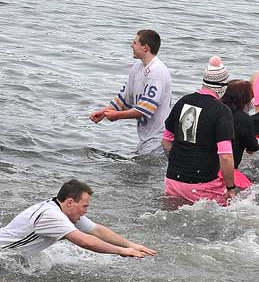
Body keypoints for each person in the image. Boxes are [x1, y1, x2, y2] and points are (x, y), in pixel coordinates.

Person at [0, 179, 156, 259]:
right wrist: (121, 251)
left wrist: (132, 245)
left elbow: (97, 230)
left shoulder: (66, 211)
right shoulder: (52, 215)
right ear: (70, 202)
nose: (86, 210)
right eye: (85, 206)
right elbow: (85, 241)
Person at [162, 56, 236, 205]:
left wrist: (179, 162)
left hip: (173, 181)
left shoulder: (183, 101)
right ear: (223, 86)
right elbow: (226, 156)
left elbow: (166, 141)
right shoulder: (221, 111)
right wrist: (231, 187)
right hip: (203, 186)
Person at [89, 29, 172, 155]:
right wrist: (104, 112)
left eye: (134, 42)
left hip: (158, 141)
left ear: (145, 47)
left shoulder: (157, 72)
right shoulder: (137, 68)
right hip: (145, 139)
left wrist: (117, 116)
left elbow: (146, 109)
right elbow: (123, 99)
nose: (131, 45)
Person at [220, 79, 259, 189]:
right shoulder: (244, 119)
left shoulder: (215, 110)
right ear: (245, 99)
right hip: (230, 170)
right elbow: (253, 147)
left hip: (207, 166)